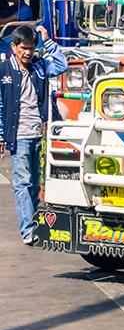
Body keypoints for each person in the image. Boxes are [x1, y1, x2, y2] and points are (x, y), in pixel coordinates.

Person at [0, 25, 68, 244]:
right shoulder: (3, 71)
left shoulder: (39, 66)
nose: (28, 53)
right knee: (23, 182)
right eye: (23, 48)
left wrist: (47, 40)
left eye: (31, 48)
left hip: (38, 133)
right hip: (17, 135)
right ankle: (28, 229)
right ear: (14, 47)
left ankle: (33, 224)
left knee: (34, 183)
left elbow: (61, 64)